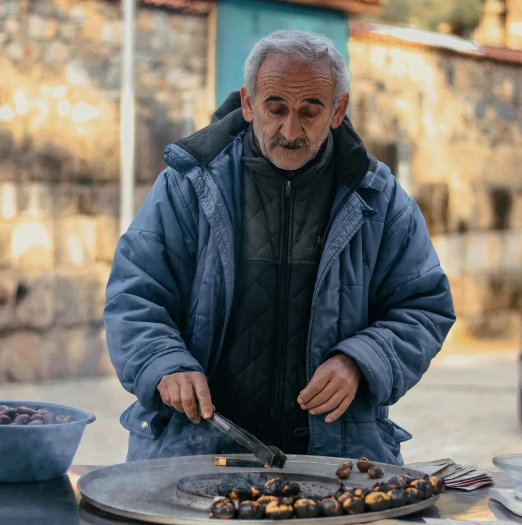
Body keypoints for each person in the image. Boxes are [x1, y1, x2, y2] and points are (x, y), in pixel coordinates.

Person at [105, 30, 455, 463]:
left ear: (338, 110)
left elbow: (425, 306)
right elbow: (134, 294)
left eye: (310, 110)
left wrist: (360, 361)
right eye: (276, 108)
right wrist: (166, 363)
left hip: (336, 459)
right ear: (249, 103)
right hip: (192, 450)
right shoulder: (188, 184)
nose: (291, 130)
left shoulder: (379, 197)